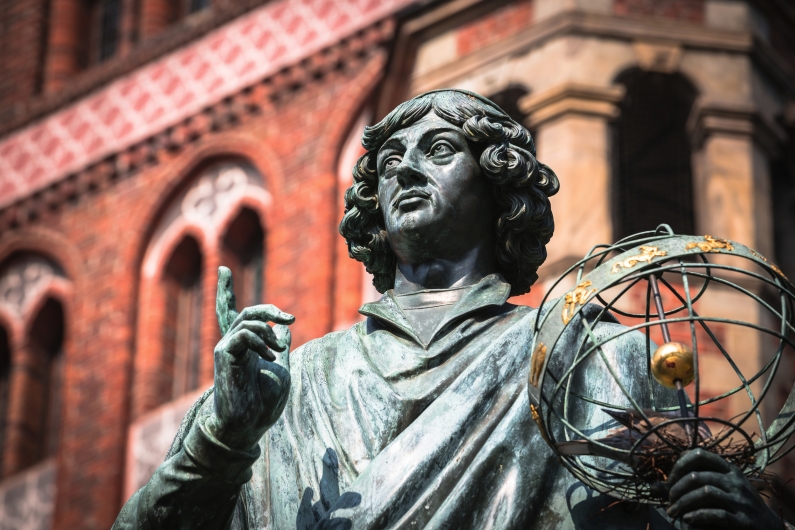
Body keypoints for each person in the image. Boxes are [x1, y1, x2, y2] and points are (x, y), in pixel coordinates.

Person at [112, 90, 786, 529]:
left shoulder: (595, 360)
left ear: (498, 187)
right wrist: (221, 441)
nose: (403, 172)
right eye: (388, 163)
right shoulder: (274, 390)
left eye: (437, 151)